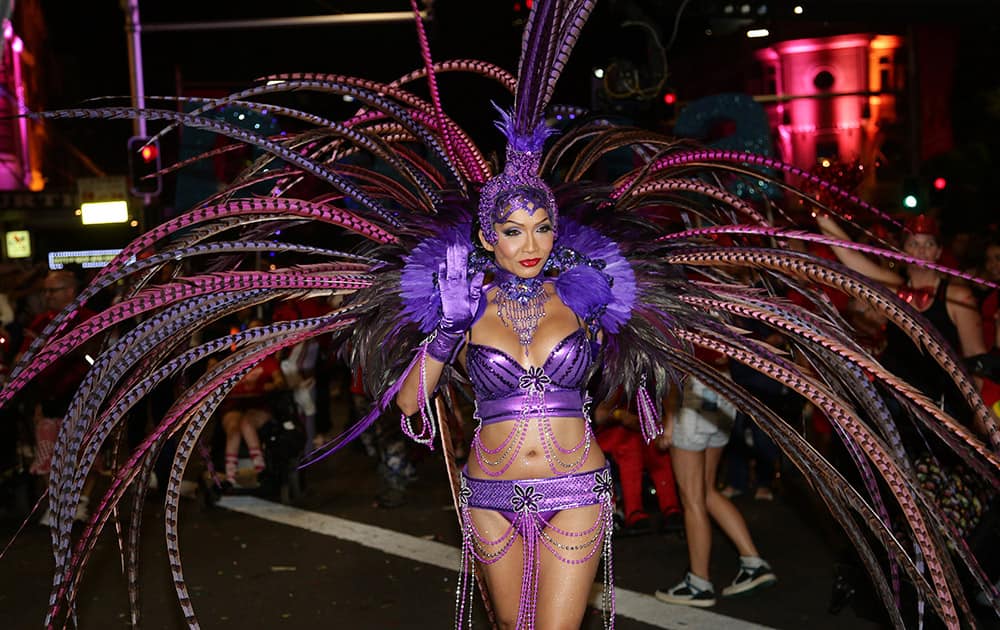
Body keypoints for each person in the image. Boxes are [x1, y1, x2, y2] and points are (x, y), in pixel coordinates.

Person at [9, 2, 999, 628]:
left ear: (554, 229)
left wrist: (678, 333)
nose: (527, 241)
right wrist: (428, 343)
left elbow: (665, 343)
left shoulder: (594, 292)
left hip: (569, 486)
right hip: (485, 494)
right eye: (511, 229)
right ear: (488, 238)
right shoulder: (455, 299)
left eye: (540, 226)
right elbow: (407, 402)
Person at [655, 367, 776, 607]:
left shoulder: (678, 327)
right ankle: (753, 562)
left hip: (691, 396)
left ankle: (699, 583)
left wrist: (668, 420)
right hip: (722, 390)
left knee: (692, 499)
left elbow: (671, 368)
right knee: (706, 490)